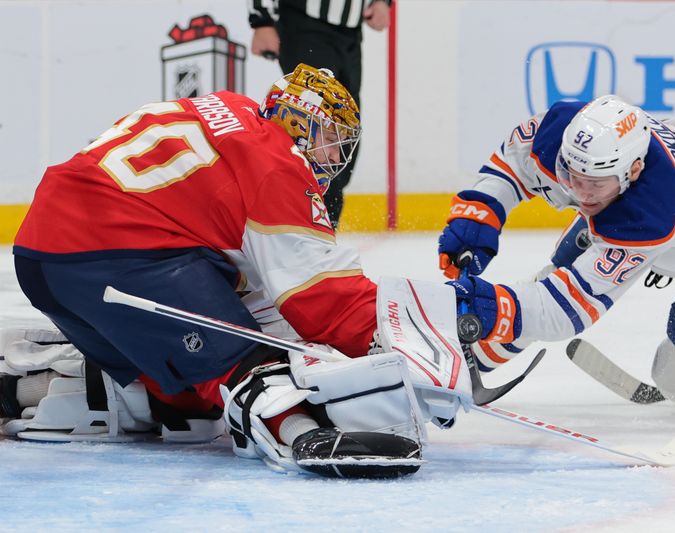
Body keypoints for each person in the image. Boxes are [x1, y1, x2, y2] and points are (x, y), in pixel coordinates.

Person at [5, 64, 425, 478]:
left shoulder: (233, 110)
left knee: (189, 405)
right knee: (246, 363)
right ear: (298, 121)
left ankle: (15, 391)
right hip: (115, 247)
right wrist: (407, 342)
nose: (334, 156)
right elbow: (322, 302)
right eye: (329, 138)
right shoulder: (278, 163)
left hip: (47, 252)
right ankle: (300, 435)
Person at [438, 95, 675, 404]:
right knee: (551, 279)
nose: (582, 195)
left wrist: (491, 307)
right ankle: (463, 360)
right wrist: (480, 212)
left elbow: (564, 309)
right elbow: (512, 164)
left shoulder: (650, 212)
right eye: (573, 178)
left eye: (596, 185)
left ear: (633, 170)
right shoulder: (562, 132)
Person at [248, 0, 392, 229]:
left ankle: (324, 230)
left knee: (344, 131)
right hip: (304, 24)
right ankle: (307, 230)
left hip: (350, 30)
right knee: (315, 130)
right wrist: (261, 19)